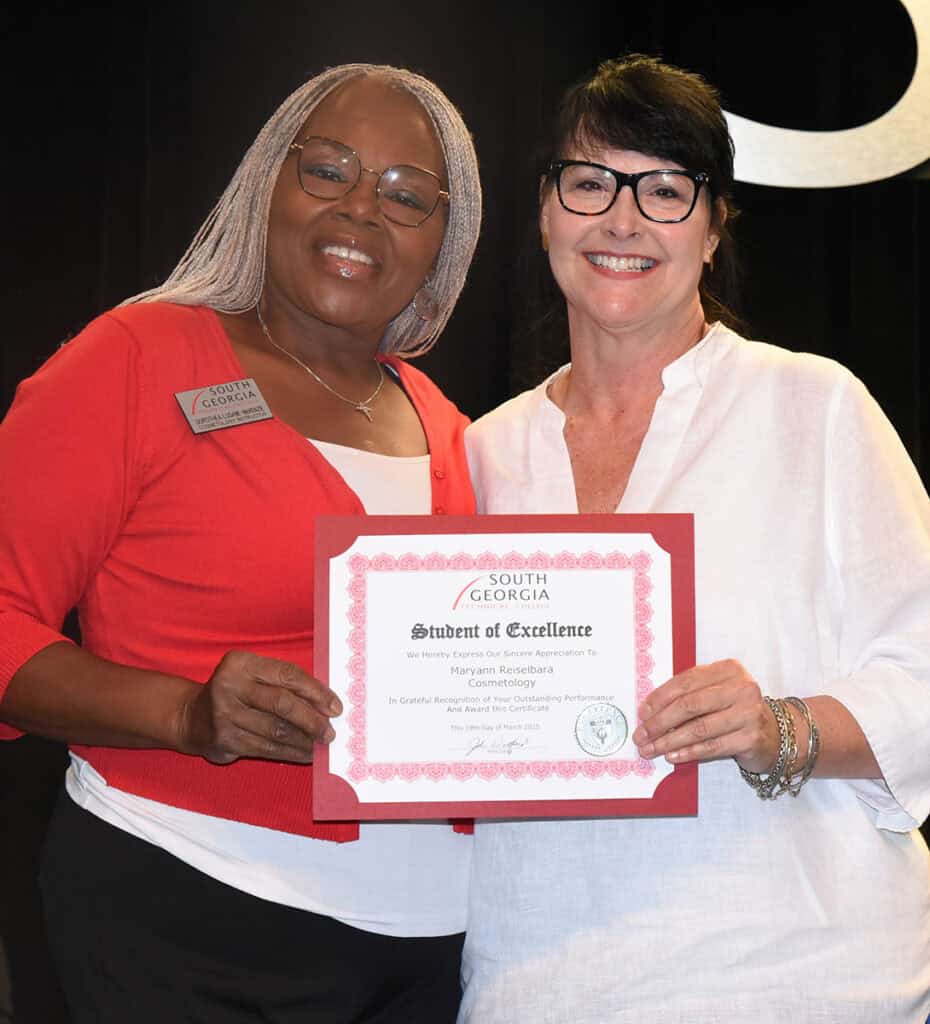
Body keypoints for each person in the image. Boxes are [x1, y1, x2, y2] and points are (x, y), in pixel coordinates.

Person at [0, 63, 481, 1023]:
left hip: (435, 949)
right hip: (191, 914)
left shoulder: (461, 433)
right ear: (269, 183)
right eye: (328, 170)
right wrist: (185, 714)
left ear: (445, 239)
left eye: (406, 196)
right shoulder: (137, 358)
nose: (360, 209)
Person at [459, 54, 930, 1022]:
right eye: (590, 183)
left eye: (666, 190)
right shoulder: (481, 453)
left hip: (797, 978)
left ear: (714, 231)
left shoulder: (814, 407)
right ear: (545, 212)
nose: (622, 220)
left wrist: (774, 727)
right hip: (538, 979)